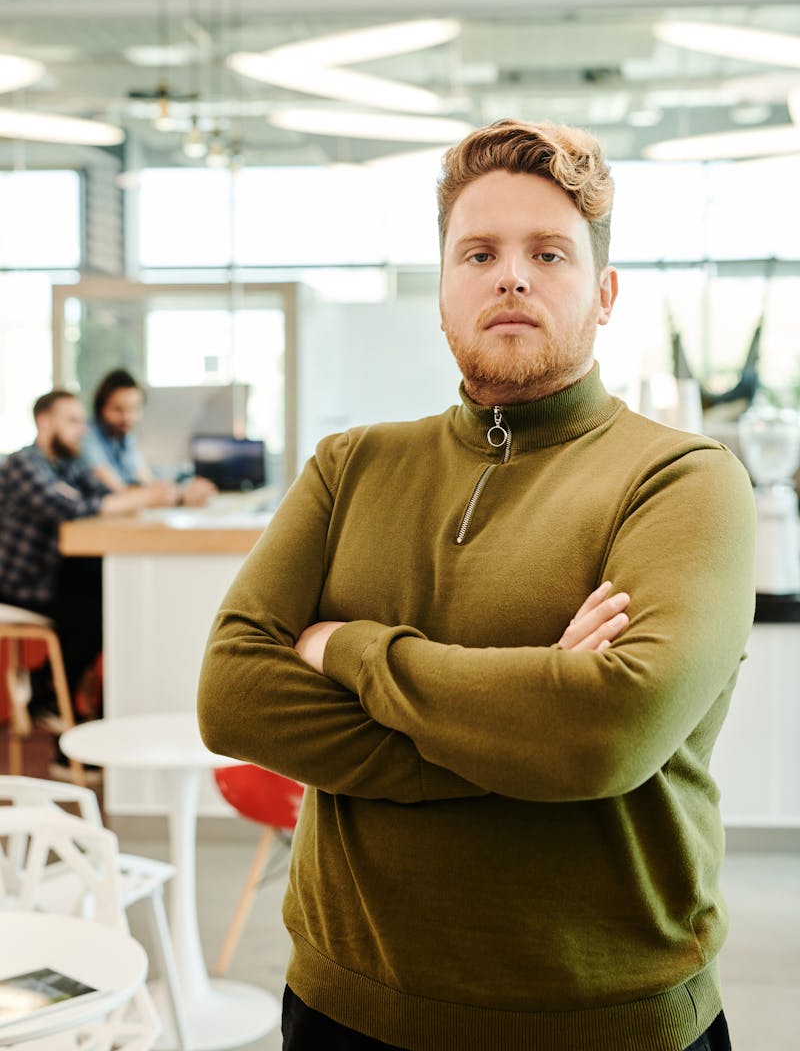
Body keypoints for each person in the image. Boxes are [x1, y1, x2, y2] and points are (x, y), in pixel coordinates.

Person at [197, 119, 755, 1051]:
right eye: (479, 252)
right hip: (343, 1008)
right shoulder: (350, 466)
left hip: (607, 1025)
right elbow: (233, 696)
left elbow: (603, 731)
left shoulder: (685, 480)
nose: (513, 275)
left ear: (605, 292)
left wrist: (347, 648)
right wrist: (523, 732)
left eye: (549, 252)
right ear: (443, 293)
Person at [0, 389, 179, 725]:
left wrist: (166, 496)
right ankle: (46, 697)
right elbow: (70, 507)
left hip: (53, 576)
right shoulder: (23, 463)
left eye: (82, 421)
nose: (81, 429)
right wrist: (147, 497)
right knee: (97, 611)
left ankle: (47, 692)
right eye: (72, 421)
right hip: (19, 583)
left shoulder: (67, 463)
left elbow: (108, 496)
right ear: (44, 421)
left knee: (112, 598)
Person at [83, 368, 217, 506]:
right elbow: (119, 492)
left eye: (134, 409)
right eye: (118, 410)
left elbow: (145, 481)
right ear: (101, 409)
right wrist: (181, 496)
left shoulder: (125, 437)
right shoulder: (87, 437)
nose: (128, 417)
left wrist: (183, 489)